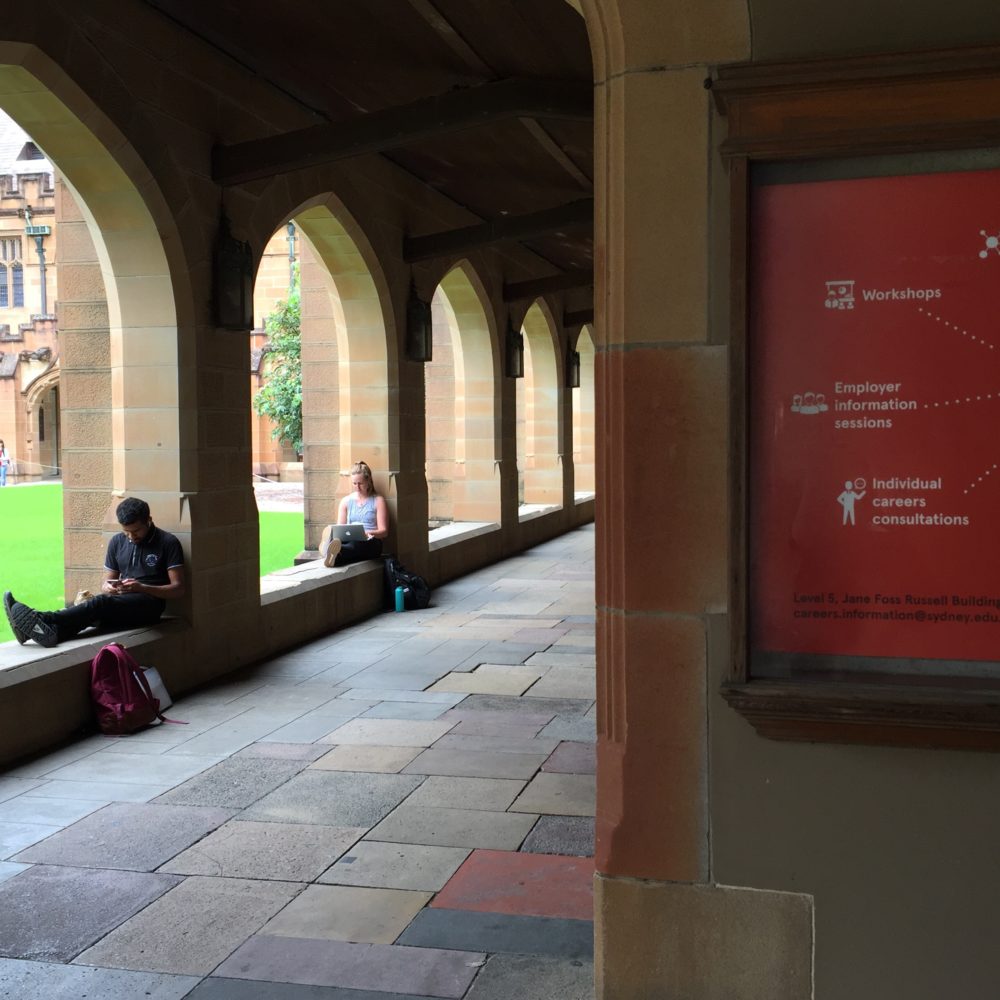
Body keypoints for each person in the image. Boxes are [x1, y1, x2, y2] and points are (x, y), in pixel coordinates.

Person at [4, 497, 185, 648]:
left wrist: (142, 588)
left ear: (149, 520)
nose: (131, 537)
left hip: (149, 607)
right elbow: (106, 585)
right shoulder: (117, 542)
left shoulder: (168, 542)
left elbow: (178, 589)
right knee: (93, 614)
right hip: (122, 602)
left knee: (99, 604)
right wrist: (111, 588)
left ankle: (42, 618)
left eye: (136, 531)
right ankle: (48, 634)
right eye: (126, 532)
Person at [319, 460, 388, 568]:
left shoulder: (378, 500)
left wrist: (366, 533)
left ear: (368, 481)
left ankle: (332, 552)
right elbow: (340, 529)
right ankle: (333, 554)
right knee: (339, 540)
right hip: (350, 539)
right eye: (354, 483)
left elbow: (384, 531)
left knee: (356, 544)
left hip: (371, 542)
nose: (357, 487)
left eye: (360, 483)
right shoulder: (346, 501)